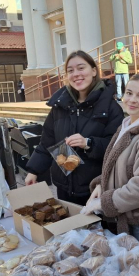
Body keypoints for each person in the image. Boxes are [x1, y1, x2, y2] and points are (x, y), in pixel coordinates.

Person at [81, 74, 139, 259]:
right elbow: (118, 166)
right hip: (132, 215)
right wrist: (102, 184)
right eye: (129, 93)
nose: (132, 100)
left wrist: (103, 202)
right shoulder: (127, 126)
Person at [24, 50, 124, 205]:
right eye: (70, 70)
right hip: (64, 188)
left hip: (95, 189)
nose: (76, 74)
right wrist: (33, 171)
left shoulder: (110, 107)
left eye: (81, 68)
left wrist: (89, 143)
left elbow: (117, 146)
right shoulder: (59, 106)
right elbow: (47, 142)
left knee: (95, 229)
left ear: (93, 71)